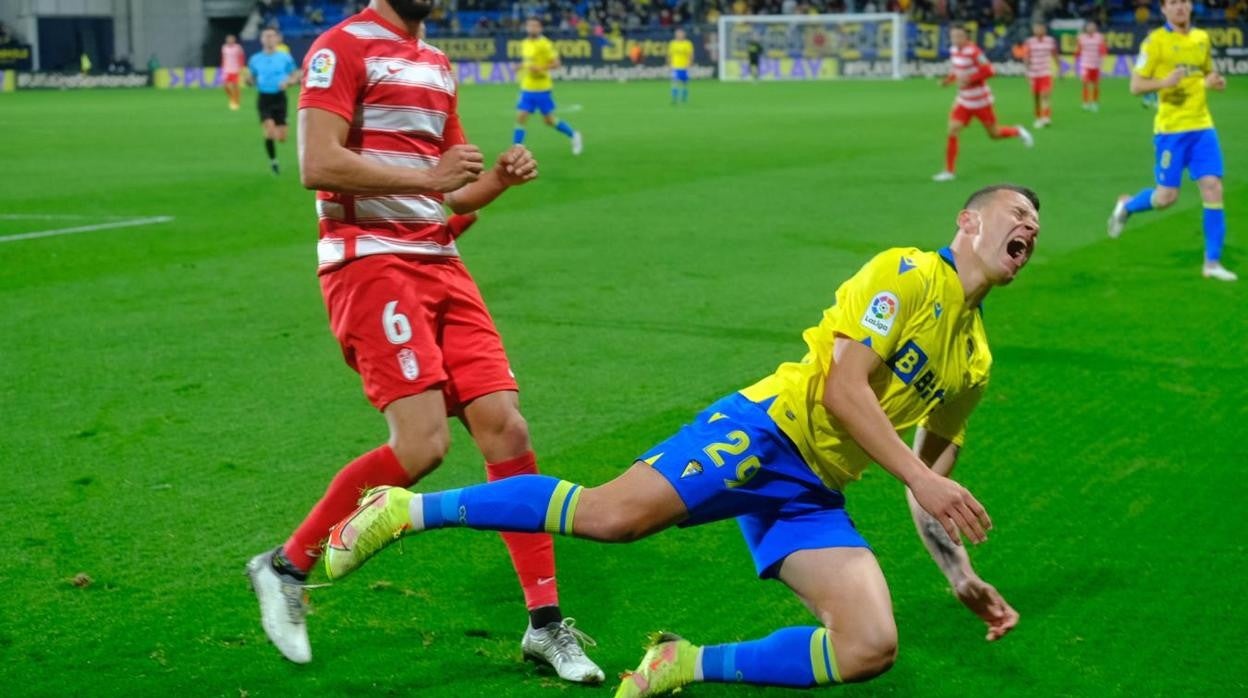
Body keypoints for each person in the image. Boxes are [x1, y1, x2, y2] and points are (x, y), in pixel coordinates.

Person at [323, 184, 1038, 696]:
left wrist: (959, 574)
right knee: (610, 517)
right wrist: (920, 477)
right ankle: (403, 509)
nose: (1029, 231)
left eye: (1037, 229)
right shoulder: (907, 274)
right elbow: (841, 389)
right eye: (1018, 215)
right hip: (767, 431)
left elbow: (931, 485)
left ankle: (682, 663)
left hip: (813, 487)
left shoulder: (973, 360)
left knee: (869, 648)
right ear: (969, 221)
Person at [244, 0, 605, 684]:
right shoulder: (341, 47)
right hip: (370, 262)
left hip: (439, 260)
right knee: (424, 446)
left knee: (506, 428)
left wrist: (497, 177)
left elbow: (457, 191)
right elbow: (318, 163)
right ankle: (287, 566)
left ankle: (545, 624)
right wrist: (428, 181)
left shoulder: (435, 63)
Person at [1107, 0, 1235, 281]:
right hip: (1171, 131)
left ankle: (1211, 263)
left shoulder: (1202, 38)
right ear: (1163, 9)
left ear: (1191, 7)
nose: (1180, 7)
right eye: (1173, 3)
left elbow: (1207, 71)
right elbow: (1136, 86)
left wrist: (1215, 80)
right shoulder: (1155, 42)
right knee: (1166, 198)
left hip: (1202, 127)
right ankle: (1126, 207)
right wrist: (1163, 83)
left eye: (1184, 2)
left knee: (1213, 188)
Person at [933, 26, 1032, 182]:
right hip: (963, 100)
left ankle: (1017, 131)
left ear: (966, 37)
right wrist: (947, 81)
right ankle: (949, 171)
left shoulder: (974, 52)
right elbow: (957, 71)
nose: (956, 39)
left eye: (959, 36)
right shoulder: (954, 51)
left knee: (995, 134)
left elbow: (990, 70)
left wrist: (971, 79)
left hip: (981, 101)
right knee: (953, 130)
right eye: (953, 36)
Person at [514, 17, 583, 155]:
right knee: (521, 117)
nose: (532, 28)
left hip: (542, 88)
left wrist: (541, 68)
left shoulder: (546, 44)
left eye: (535, 26)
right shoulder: (525, 43)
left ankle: (574, 135)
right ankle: (516, 149)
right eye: (530, 25)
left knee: (549, 120)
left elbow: (557, 63)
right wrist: (521, 66)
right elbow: (528, 61)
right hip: (527, 87)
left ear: (540, 28)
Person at [246, 27, 299, 174]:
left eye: (271, 36)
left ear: (277, 38)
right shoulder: (255, 59)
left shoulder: (284, 57)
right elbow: (251, 77)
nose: (269, 39)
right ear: (261, 39)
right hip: (264, 98)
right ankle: (273, 161)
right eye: (266, 36)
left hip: (280, 98)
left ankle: (279, 129)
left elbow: (295, 75)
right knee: (269, 131)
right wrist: (249, 81)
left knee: (281, 137)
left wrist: (288, 82)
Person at [1021, 22, 1056, 128]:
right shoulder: (1029, 42)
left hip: (1045, 72)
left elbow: (1055, 54)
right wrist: (1026, 72)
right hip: (1034, 73)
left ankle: (1046, 117)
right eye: (1036, 28)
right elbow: (1026, 57)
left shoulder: (1050, 41)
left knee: (1045, 95)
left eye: (1041, 28)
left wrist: (1060, 69)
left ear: (1044, 30)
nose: (1038, 30)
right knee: (1036, 98)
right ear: (1033, 30)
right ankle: (1038, 117)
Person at [1077, 21, 1108, 111]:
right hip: (1085, 64)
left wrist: (1102, 58)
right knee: (1085, 84)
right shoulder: (1081, 38)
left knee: (1095, 85)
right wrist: (1076, 61)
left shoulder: (1099, 37)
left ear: (1095, 28)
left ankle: (1095, 102)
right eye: (1089, 27)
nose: (1090, 28)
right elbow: (1079, 50)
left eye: (1092, 27)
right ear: (1086, 28)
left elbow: (1103, 49)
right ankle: (1085, 102)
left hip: (1096, 64)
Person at [220, 34, 246, 111]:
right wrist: (222, 66)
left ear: (234, 40)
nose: (230, 41)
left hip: (235, 69)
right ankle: (232, 98)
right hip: (227, 69)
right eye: (228, 39)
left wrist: (241, 66)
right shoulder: (224, 47)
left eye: (231, 39)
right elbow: (223, 58)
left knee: (235, 86)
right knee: (225, 86)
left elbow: (241, 57)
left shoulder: (238, 47)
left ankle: (236, 101)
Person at [669, 27, 693, 104]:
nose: (679, 35)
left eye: (681, 34)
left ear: (684, 35)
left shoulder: (688, 43)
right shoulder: (672, 43)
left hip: (684, 67)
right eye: (678, 34)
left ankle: (684, 99)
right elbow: (670, 55)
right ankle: (674, 99)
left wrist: (689, 64)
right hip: (675, 67)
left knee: (684, 83)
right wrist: (670, 64)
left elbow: (690, 55)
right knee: (674, 82)